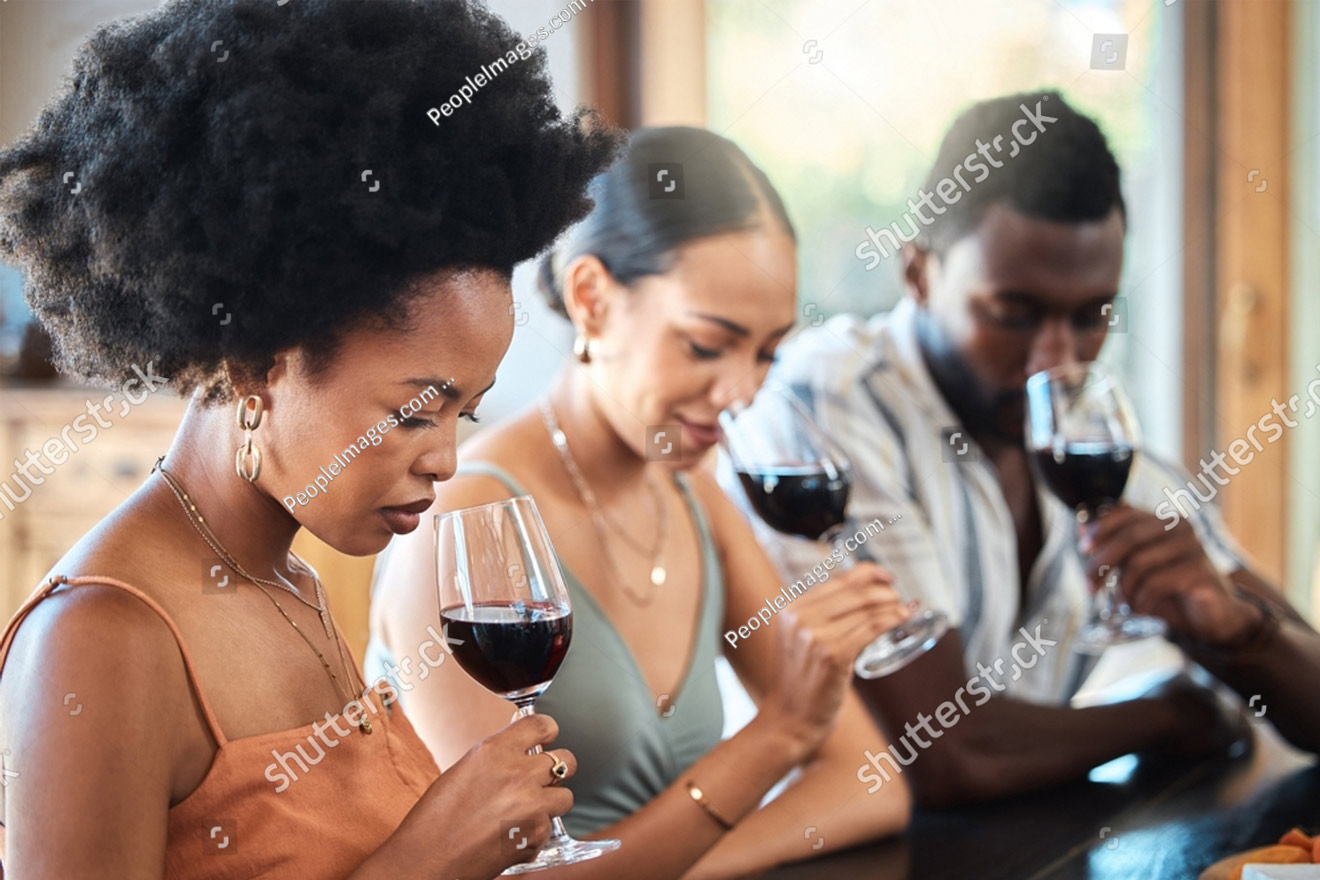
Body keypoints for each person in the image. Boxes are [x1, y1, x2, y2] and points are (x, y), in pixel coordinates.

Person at [0, 0, 621, 876]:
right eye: (413, 411)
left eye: (464, 413)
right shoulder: (102, 639)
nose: (445, 459)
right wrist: (429, 859)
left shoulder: (293, 582)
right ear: (258, 361)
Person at [718, 90, 1320, 809]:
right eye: (1013, 313)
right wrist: (1174, 713)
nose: (1056, 360)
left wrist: (1240, 634)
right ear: (918, 273)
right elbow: (949, 754)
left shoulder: (1087, 438)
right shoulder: (833, 410)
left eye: (1093, 316)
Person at [370, 126, 912, 880]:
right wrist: (779, 736)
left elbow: (870, 784)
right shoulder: (466, 520)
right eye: (705, 345)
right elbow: (521, 873)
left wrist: (674, 863)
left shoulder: (692, 493)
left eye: (766, 353)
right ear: (592, 299)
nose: (742, 394)